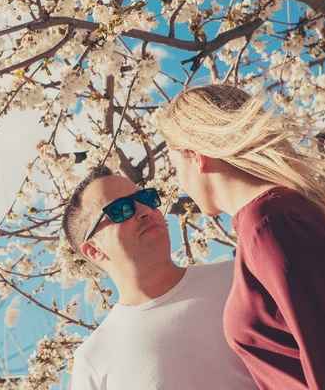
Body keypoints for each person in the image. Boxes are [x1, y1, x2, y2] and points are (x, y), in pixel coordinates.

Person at [155, 83, 325, 389]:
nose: (181, 184)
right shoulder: (273, 219)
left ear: (195, 156)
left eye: (175, 167)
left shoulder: (270, 224)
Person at [63, 166, 255, 389]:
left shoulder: (239, 278)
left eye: (146, 198)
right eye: (121, 209)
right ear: (94, 250)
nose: (145, 210)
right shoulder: (94, 361)